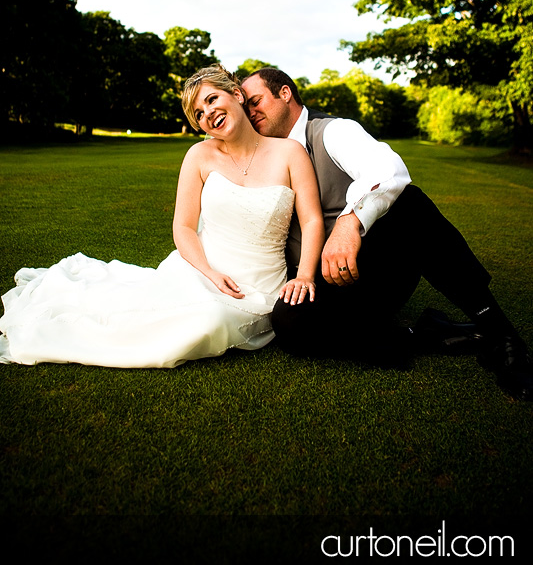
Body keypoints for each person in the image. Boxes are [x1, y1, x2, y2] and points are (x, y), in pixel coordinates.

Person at [0, 65, 324, 368]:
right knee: (146, 313)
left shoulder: (289, 153)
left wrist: (305, 275)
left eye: (212, 99)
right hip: (198, 270)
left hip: (260, 285)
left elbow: (311, 220)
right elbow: (183, 227)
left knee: (208, 321)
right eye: (199, 113)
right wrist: (209, 272)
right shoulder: (199, 155)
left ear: (236, 95)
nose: (209, 112)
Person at [241, 67, 533, 400]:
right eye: (246, 107)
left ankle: (500, 335)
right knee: (290, 325)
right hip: (320, 283)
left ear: (285, 94)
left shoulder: (332, 131)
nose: (251, 112)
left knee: (408, 202)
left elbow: (387, 170)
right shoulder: (262, 155)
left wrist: (350, 222)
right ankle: (421, 335)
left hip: (373, 266)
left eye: (256, 101)